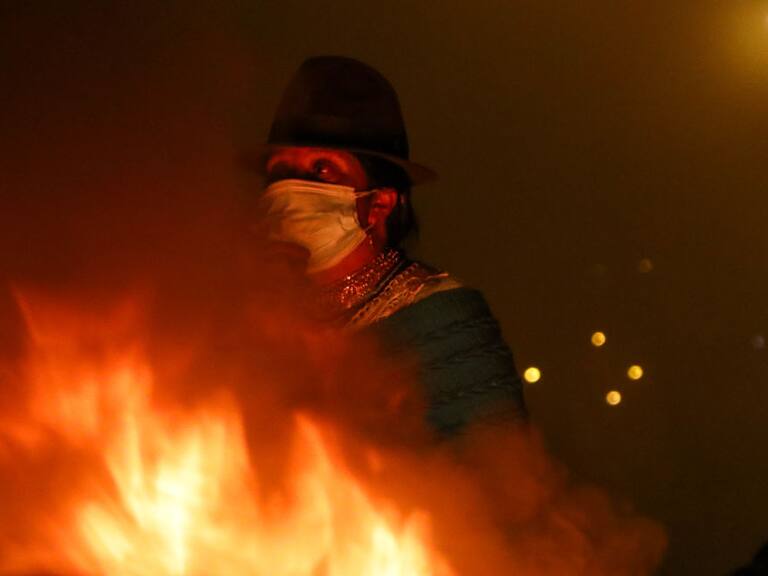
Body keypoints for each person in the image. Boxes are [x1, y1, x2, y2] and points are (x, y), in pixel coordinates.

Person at [246, 56, 527, 437]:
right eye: (280, 172)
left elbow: (490, 478)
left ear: (380, 202)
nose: (289, 190)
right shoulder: (251, 317)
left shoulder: (443, 325)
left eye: (322, 169)